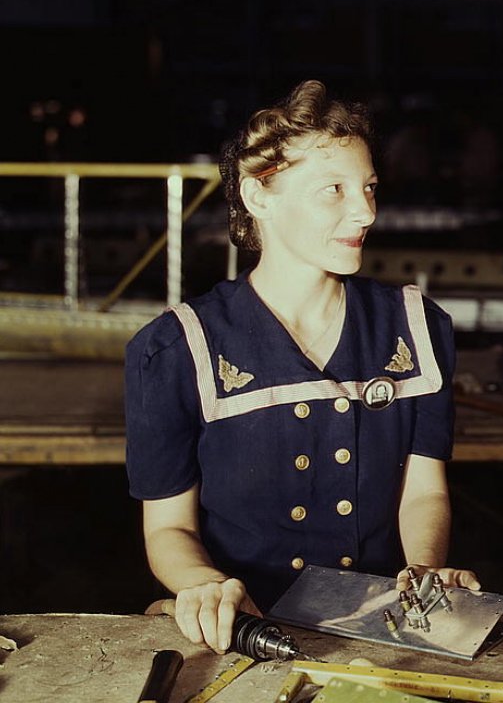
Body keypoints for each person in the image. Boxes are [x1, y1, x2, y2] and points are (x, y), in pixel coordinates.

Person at [125, 80, 479, 653]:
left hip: (380, 628)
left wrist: (423, 571)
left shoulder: (415, 327)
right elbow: (169, 527)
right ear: (259, 197)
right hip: (247, 628)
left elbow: (423, 493)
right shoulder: (176, 347)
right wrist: (206, 586)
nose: (364, 211)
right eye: (333, 190)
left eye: (368, 187)